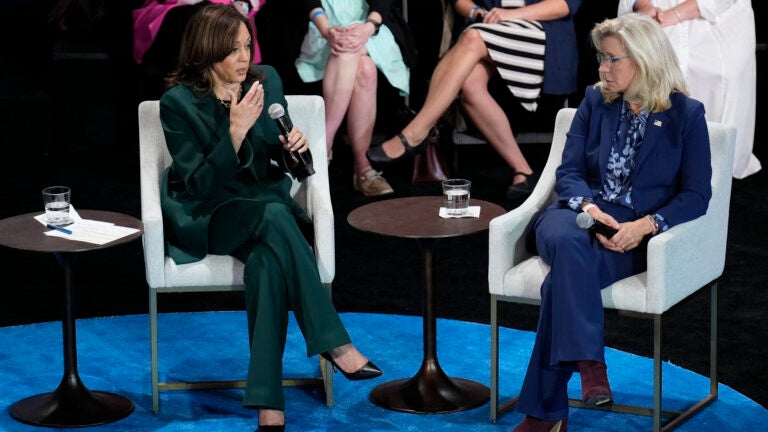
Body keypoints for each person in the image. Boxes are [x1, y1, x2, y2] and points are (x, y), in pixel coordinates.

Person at [158, 4, 382, 430]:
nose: (244, 58)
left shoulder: (267, 80)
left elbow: (297, 168)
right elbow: (199, 185)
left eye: (247, 46)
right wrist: (235, 132)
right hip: (212, 213)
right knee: (276, 215)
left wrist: (294, 148)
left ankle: (268, 400)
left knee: (266, 264)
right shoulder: (179, 103)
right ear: (207, 52)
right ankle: (334, 343)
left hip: (263, 205)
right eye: (233, 50)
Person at [511, 13, 712, 431]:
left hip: (630, 234)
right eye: (601, 58)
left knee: (560, 283)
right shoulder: (594, 101)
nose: (602, 68)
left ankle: (545, 414)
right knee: (568, 244)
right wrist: (587, 207)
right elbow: (567, 173)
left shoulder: (686, 115)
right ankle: (590, 362)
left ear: (645, 59)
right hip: (573, 217)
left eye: (612, 59)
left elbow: (696, 195)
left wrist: (645, 226)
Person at [366, 0, 583, 200]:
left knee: (472, 37)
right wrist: (476, 12)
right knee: (469, 84)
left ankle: (416, 133)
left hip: (546, 32)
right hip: (492, 27)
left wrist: (512, 15)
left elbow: (564, 5)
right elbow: (461, 1)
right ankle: (523, 171)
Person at [618, 0, 760, 179]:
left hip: (718, 17)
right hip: (656, 16)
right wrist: (642, 6)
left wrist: (676, 13)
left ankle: (715, 163)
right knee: (650, 70)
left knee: (719, 75)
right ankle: (655, 158)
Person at [294, 0, 413, 197]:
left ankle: (321, 147)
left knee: (353, 52)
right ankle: (363, 170)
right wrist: (326, 29)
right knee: (365, 69)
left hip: (372, 27)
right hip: (322, 26)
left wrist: (368, 27)